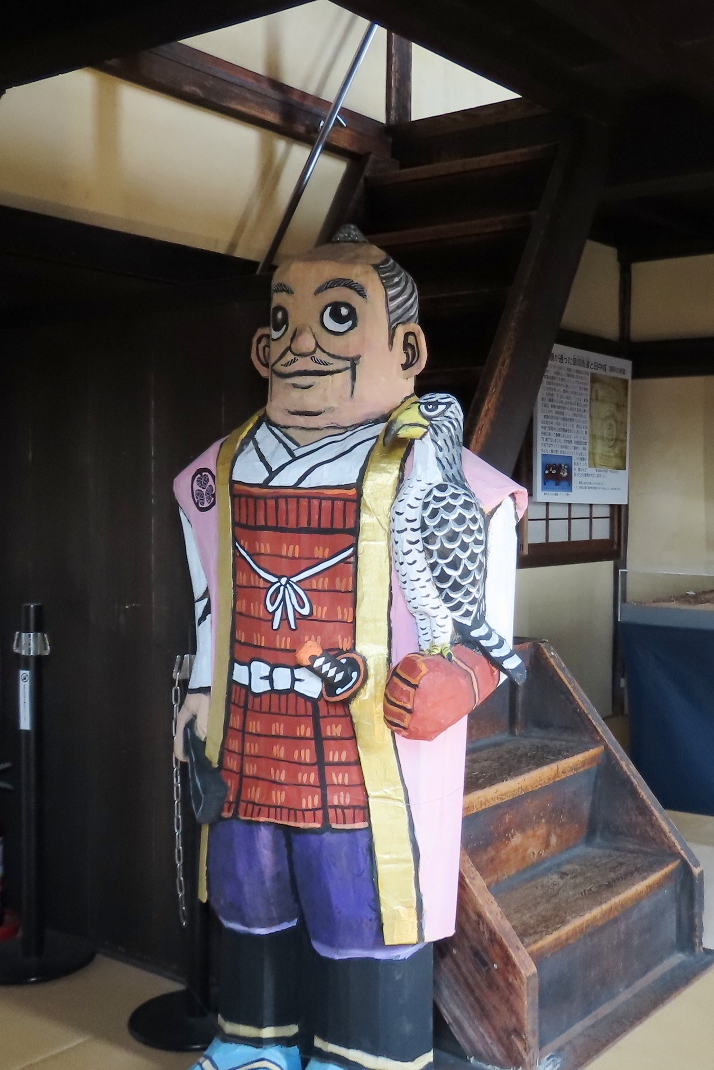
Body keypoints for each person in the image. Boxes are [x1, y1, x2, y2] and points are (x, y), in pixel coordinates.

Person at [172, 226, 525, 1070]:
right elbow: (208, 604)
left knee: (361, 896)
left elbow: (488, 624)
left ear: (408, 351)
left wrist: (460, 679)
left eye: (336, 317)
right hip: (248, 721)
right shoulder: (217, 474)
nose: (300, 344)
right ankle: (253, 1042)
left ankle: (368, 1054)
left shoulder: (451, 482)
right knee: (250, 885)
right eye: (283, 319)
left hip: (368, 735)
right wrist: (198, 694)